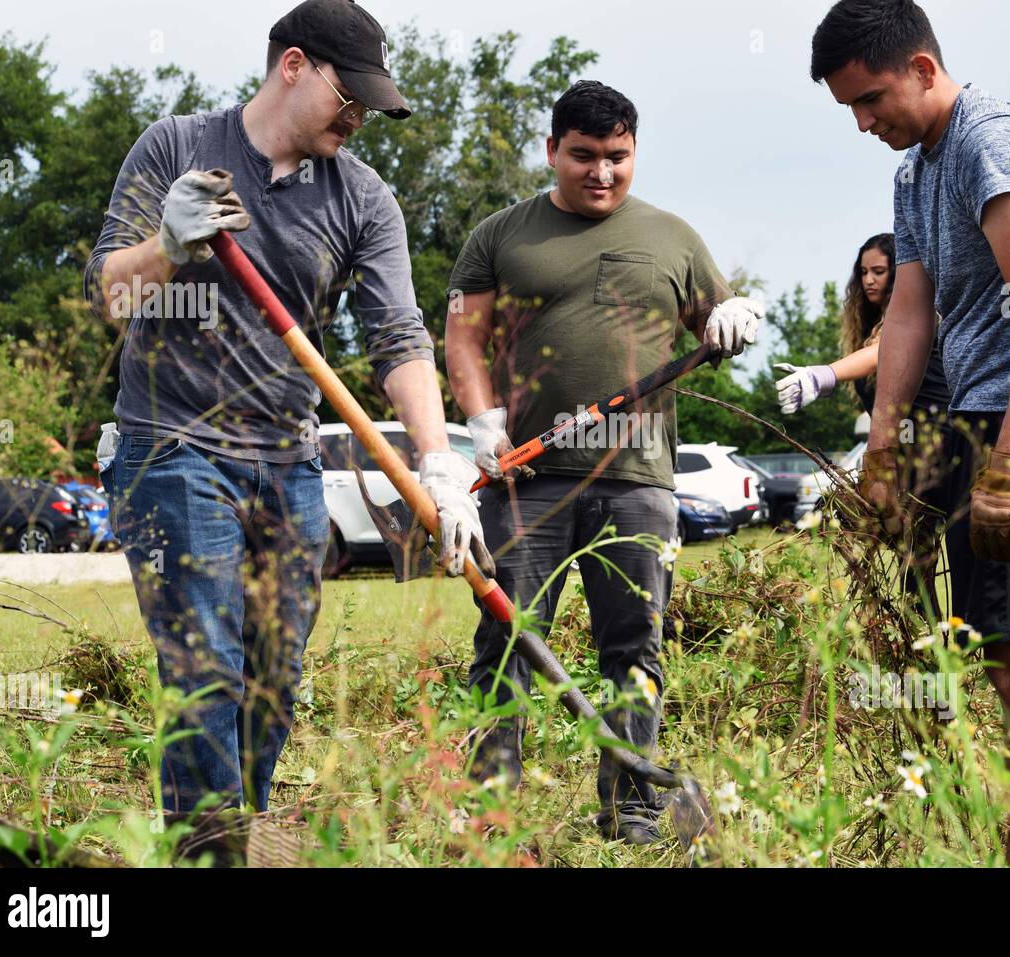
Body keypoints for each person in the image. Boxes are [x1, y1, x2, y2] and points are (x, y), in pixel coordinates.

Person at [84, 0, 489, 816]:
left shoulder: (364, 200)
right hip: (173, 448)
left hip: (287, 460)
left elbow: (399, 338)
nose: (361, 119)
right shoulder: (176, 149)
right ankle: (211, 845)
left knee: (273, 680)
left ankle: (245, 821)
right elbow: (109, 298)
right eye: (352, 98)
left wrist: (439, 462)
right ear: (293, 65)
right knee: (205, 669)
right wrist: (166, 245)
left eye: (373, 105)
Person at [810, 0, 1010, 866]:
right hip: (983, 415)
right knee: (1006, 643)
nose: (866, 123)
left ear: (922, 67)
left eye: (871, 100)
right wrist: (883, 448)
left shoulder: (991, 141)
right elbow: (908, 315)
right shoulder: (914, 174)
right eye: (850, 110)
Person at [445, 80, 759, 845]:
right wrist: (482, 421)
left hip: (637, 484)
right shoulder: (500, 235)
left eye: (617, 157)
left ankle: (633, 808)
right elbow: (461, 338)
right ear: (552, 149)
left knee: (635, 646)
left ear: (634, 152)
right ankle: (494, 810)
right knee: (508, 640)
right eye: (583, 156)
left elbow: (713, 319)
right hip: (526, 481)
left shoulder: (673, 238)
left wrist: (730, 316)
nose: (601, 173)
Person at [774, 233, 955, 616]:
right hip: (904, 461)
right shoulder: (871, 326)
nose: (869, 280)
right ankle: (929, 654)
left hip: (942, 452)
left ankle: (950, 650)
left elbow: (881, 353)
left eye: (880, 271)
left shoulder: (917, 316)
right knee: (912, 569)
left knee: (929, 565)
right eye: (864, 272)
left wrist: (823, 375)